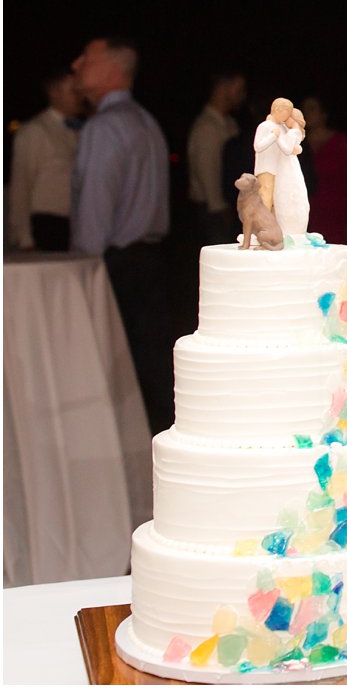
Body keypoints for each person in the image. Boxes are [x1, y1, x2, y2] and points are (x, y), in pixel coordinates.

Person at [69, 37, 174, 431]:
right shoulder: (146, 122)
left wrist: (84, 272)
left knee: (114, 372)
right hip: (149, 263)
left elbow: (93, 217)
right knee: (151, 371)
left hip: (115, 267)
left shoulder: (104, 128)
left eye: (88, 59)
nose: (77, 64)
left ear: (113, 69)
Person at [9, 70, 84, 251]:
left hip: (76, 225)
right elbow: (20, 186)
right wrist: (24, 238)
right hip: (47, 224)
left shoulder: (82, 131)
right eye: (73, 91)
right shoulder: (35, 130)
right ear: (54, 92)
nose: (79, 96)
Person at [186, 69, 247, 245]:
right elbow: (209, 176)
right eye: (239, 88)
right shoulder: (207, 127)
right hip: (216, 214)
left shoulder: (229, 123)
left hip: (229, 210)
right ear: (224, 86)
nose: (242, 95)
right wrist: (221, 211)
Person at [301, 95, 347, 243]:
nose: (306, 114)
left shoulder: (342, 143)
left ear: (324, 114)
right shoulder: (298, 144)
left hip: (337, 216)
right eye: (304, 110)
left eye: (312, 109)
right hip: (308, 217)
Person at [252, 97, 309, 239]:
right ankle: (262, 229)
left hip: (278, 168)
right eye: (286, 113)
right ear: (278, 110)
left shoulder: (283, 127)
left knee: (276, 199)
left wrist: (293, 147)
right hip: (267, 167)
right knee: (265, 198)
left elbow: (287, 146)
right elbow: (258, 146)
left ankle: (272, 228)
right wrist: (274, 136)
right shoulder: (266, 126)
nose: (286, 118)